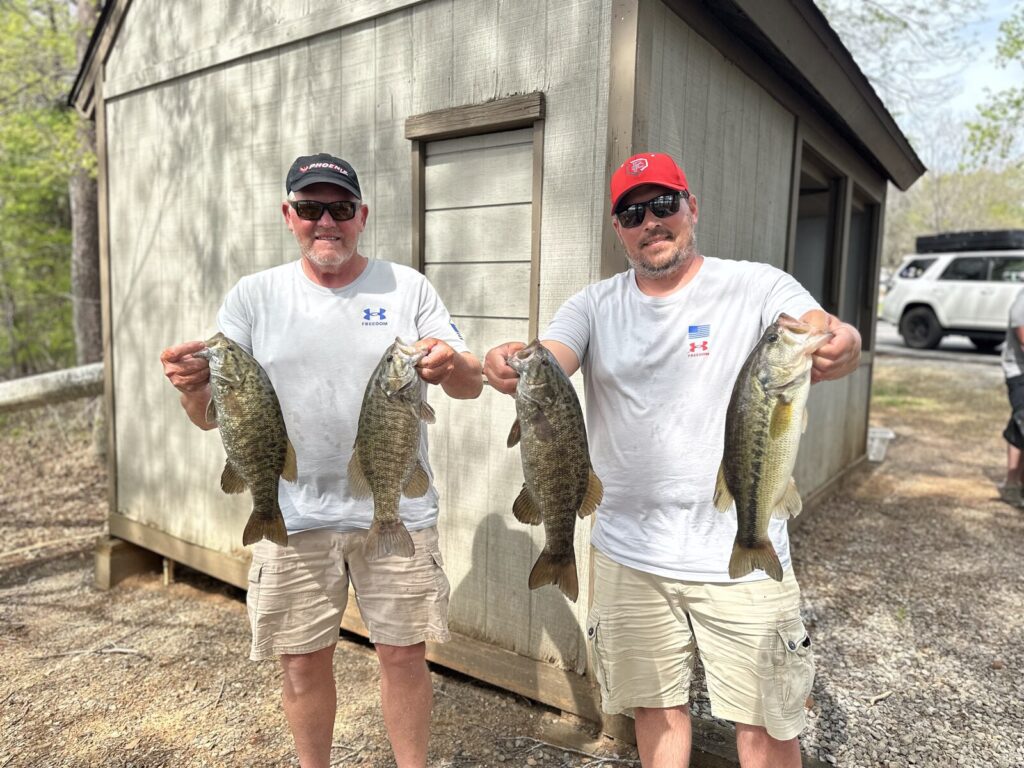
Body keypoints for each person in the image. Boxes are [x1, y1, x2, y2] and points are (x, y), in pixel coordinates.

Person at [484, 152, 861, 768]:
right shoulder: (593, 305)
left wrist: (843, 340)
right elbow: (549, 356)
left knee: (766, 726)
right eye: (633, 213)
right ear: (618, 229)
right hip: (629, 552)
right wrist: (507, 362)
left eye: (664, 204)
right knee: (656, 714)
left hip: (738, 548)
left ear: (692, 207)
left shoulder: (755, 285)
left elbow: (817, 326)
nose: (650, 222)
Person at [160, 153, 482, 768]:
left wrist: (451, 365)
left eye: (340, 208)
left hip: (397, 506)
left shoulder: (407, 287)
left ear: (362, 215)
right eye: (311, 208)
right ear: (290, 216)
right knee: (302, 665)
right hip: (293, 513)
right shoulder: (254, 297)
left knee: (404, 657)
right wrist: (191, 387)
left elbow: (468, 384)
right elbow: (209, 416)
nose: (326, 221)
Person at [999, 286, 1024, 507]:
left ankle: (1013, 484)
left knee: (1019, 426)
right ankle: (1013, 485)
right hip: (1019, 374)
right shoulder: (1021, 304)